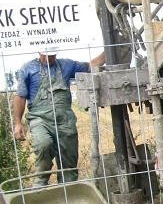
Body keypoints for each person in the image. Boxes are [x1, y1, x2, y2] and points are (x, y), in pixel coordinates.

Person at [13, 48, 105, 186]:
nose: (48, 58)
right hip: (40, 118)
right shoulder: (28, 68)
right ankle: (41, 184)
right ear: (39, 52)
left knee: (69, 163)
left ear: (56, 53)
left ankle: (68, 191)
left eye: (51, 56)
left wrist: (109, 51)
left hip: (65, 120)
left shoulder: (66, 65)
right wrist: (18, 123)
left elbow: (90, 66)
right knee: (43, 144)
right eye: (45, 55)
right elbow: (20, 96)